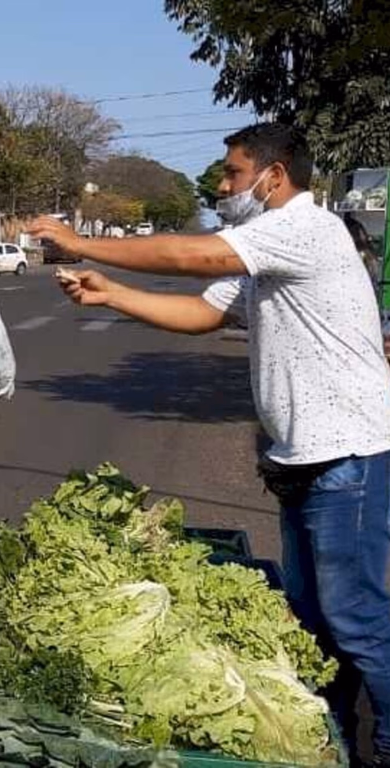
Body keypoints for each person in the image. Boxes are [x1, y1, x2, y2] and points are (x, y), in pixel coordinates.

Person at [29, 123, 390, 767]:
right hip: (301, 460)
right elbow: (202, 312)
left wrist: (84, 244)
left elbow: (191, 256)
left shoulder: (304, 230)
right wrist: (110, 293)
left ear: (273, 177)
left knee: (357, 620)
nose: (223, 186)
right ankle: (335, 735)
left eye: (232, 173)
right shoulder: (266, 252)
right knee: (316, 621)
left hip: (347, 458)